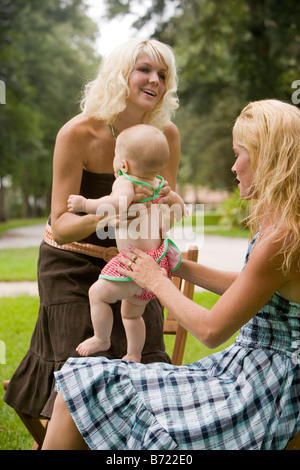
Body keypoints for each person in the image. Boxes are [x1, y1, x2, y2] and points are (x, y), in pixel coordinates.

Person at [42, 99, 300, 450]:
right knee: (82, 387)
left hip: (263, 388)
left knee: (87, 388)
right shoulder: (281, 225)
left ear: (269, 159)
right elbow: (249, 287)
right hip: (247, 368)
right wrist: (176, 265)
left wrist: (157, 280)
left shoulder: (282, 235)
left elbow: (210, 331)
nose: (233, 167)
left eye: (240, 154)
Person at [3, 38, 181, 420]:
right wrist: (110, 214)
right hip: (70, 264)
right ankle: (60, 439)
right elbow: (63, 227)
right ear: (121, 76)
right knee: (79, 365)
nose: (155, 81)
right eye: (145, 70)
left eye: (162, 74)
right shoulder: (77, 134)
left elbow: (166, 210)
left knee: (143, 363)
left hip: (132, 265)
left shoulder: (165, 136)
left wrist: (167, 209)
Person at [67, 124, 183, 361]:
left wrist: (83, 205)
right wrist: (171, 202)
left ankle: (102, 338)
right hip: (157, 267)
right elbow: (180, 209)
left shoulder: (125, 181)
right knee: (131, 315)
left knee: (97, 293)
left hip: (133, 267)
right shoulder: (160, 184)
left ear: (124, 164)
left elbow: (115, 203)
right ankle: (134, 353)